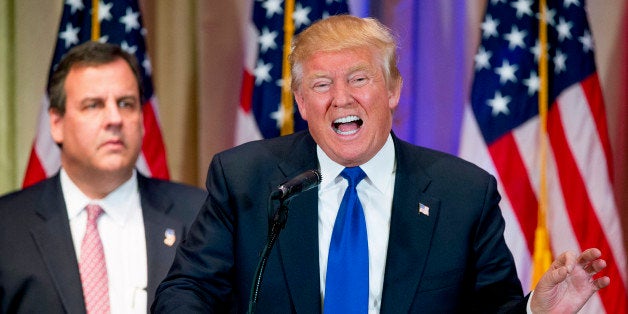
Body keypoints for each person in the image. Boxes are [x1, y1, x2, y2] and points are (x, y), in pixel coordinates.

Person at [152, 15, 609, 313]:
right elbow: (183, 294)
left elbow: (494, 310)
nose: (341, 98)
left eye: (359, 79)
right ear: (302, 103)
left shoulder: (462, 193)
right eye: (321, 84)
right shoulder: (245, 179)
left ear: (392, 91)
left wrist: (537, 312)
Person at [0, 41, 206, 313]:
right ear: (56, 123)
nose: (114, 119)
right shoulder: (7, 225)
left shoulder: (198, 214)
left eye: (126, 103)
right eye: (93, 105)